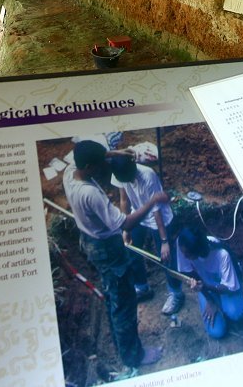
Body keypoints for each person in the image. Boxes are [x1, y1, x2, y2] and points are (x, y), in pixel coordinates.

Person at [62, 140, 167, 374]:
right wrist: (153, 201)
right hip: (107, 249)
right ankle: (134, 355)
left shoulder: (70, 174)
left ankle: (120, 334)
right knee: (124, 304)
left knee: (113, 295)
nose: (104, 167)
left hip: (90, 243)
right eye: (100, 164)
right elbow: (126, 222)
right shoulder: (90, 194)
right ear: (89, 166)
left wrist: (117, 152)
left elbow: (87, 156)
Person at [109, 153, 184, 315]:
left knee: (166, 257)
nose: (126, 181)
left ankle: (176, 293)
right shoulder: (119, 173)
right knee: (132, 250)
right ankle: (142, 287)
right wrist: (126, 229)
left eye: (128, 177)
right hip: (140, 214)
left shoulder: (147, 175)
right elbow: (124, 200)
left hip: (161, 219)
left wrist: (164, 241)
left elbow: (156, 210)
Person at [176, 224, 243, 339]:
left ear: (198, 251)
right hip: (206, 285)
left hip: (225, 286)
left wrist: (206, 286)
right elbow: (190, 273)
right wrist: (209, 300)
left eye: (188, 254)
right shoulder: (182, 244)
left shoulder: (222, 254)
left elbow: (228, 287)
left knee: (237, 314)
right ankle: (219, 303)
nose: (184, 256)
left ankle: (233, 300)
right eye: (183, 253)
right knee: (217, 332)